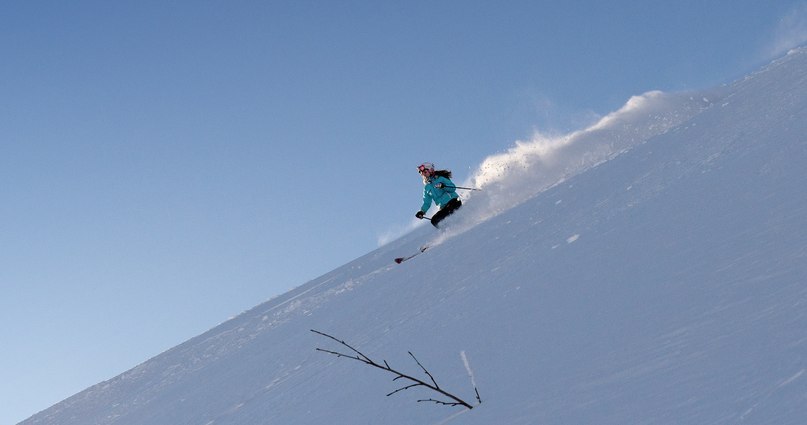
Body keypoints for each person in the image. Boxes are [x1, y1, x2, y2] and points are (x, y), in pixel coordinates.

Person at [415, 162, 462, 228]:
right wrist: (422, 211)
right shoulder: (427, 187)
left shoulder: (440, 178)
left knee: (450, 210)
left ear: (430, 170)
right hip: (443, 208)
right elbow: (427, 202)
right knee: (434, 220)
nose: (424, 175)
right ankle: (449, 230)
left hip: (453, 202)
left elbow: (453, 188)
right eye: (422, 174)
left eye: (425, 172)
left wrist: (444, 186)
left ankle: (459, 224)